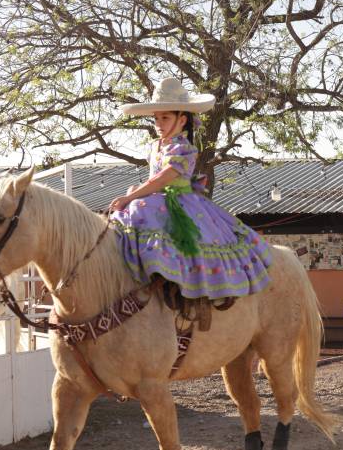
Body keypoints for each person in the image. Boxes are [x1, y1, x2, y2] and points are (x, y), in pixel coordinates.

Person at [109, 77, 274, 300]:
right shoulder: (155, 146)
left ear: (182, 119)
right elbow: (152, 179)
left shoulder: (183, 149)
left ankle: (174, 288)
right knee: (133, 209)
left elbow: (160, 180)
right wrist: (132, 191)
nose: (158, 123)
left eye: (165, 117)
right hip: (156, 200)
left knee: (140, 209)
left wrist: (131, 197)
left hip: (179, 203)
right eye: (156, 118)